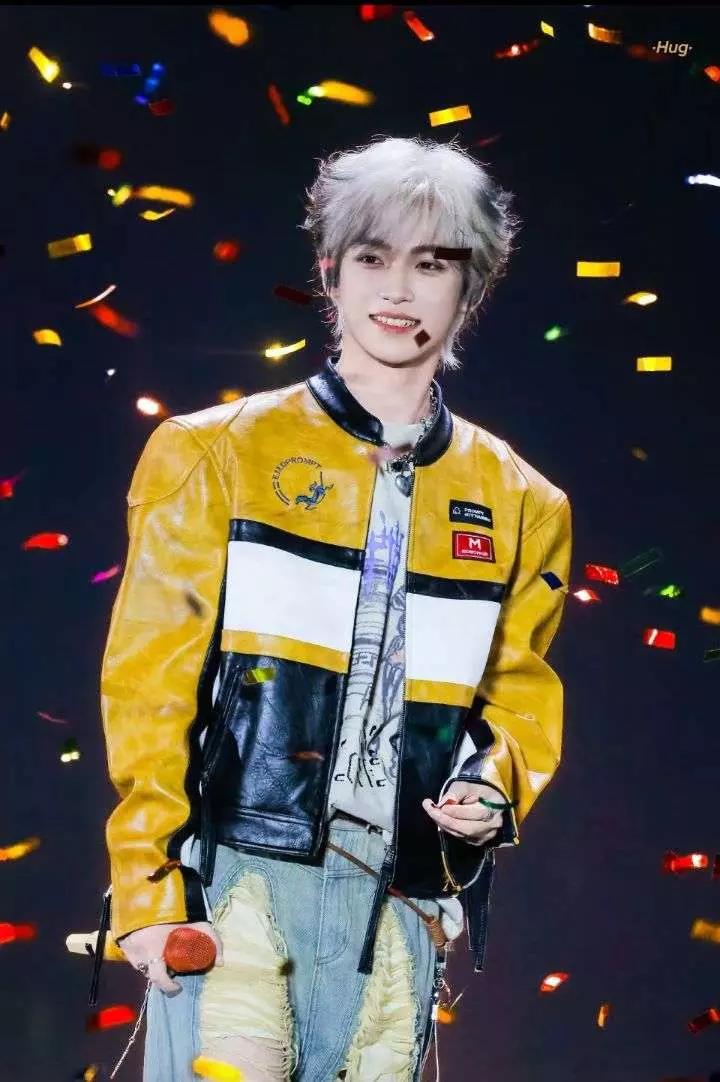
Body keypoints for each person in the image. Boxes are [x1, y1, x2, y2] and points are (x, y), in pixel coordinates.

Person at [93, 134, 572, 1082]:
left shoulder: (524, 502)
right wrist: (148, 889)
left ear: (469, 288)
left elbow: (519, 695)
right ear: (330, 272)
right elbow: (149, 685)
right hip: (237, 871)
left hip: (402, 895)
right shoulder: (214, 452)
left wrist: (493, 788)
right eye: (373, 257)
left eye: (431, 264)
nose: (398, 289)